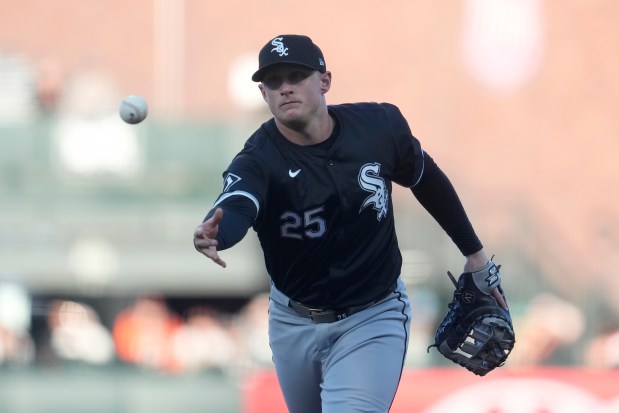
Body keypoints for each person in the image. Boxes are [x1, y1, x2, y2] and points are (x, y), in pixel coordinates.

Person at [194, 34, 509, 413]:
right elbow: (238, 202)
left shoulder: (379, 127)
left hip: (372, 314)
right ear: (263, 94)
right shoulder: (259, 158)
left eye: (296, 75)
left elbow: (428, 180)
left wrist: (474, 254)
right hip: (293, 318)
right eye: (274, 81)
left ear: (324, 81)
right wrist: (219, 233)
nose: (285, 88)